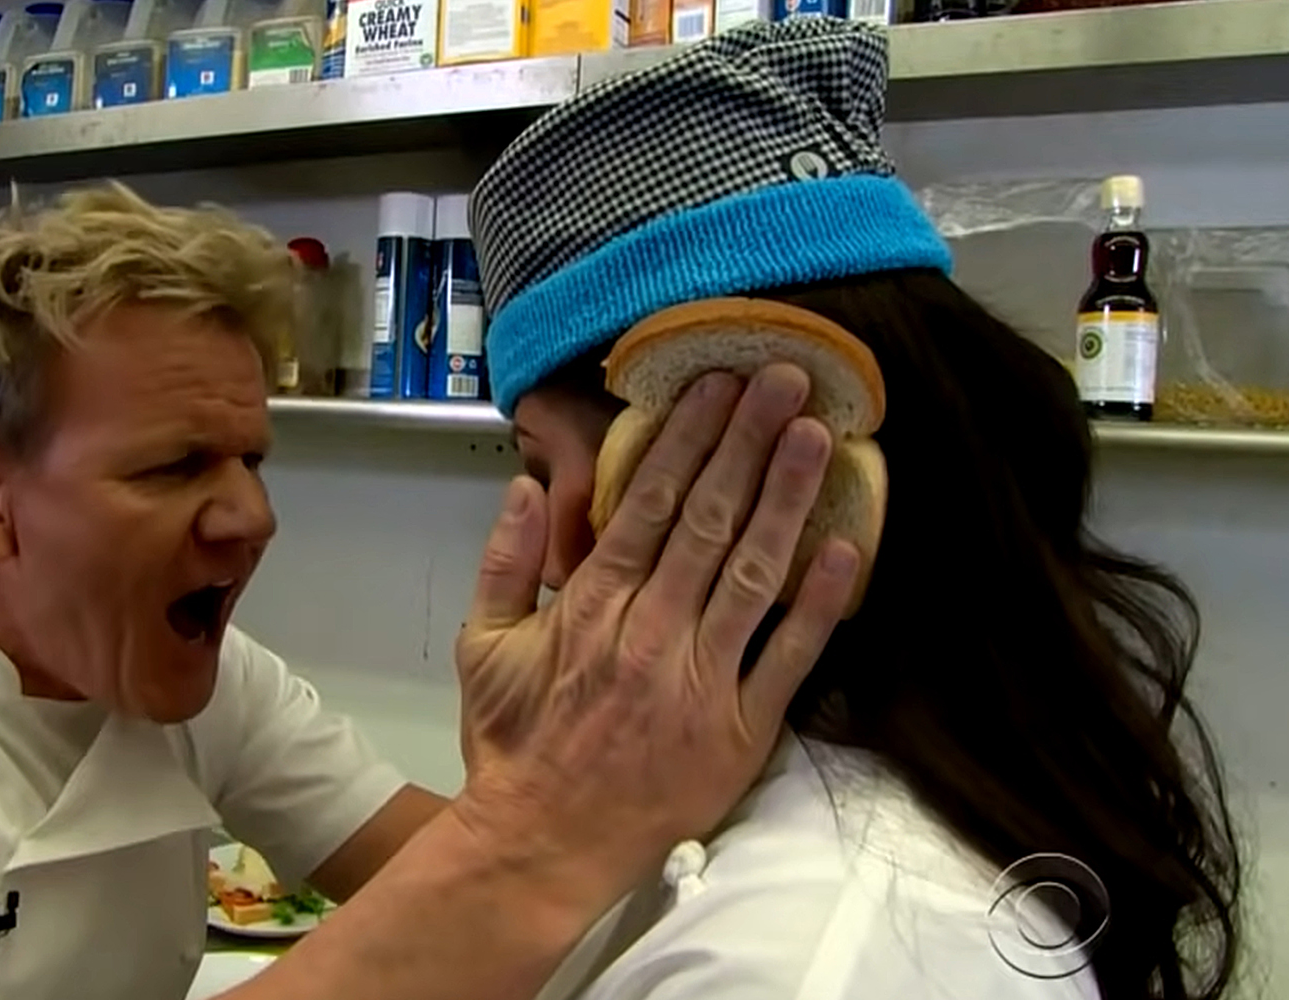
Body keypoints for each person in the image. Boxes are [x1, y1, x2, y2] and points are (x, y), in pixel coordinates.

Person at [0, 180, 861, 999]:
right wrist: (524, 827)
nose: (251, 516)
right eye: (177, 464)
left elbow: (477, 903)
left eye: (250, 456)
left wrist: (589, 798)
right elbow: (485, 877)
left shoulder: (195, 682)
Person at [472, 20, 1244, 1000]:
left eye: (541, 467)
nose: (546, 563)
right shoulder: (898, 804)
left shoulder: (809, 959)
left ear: (724, 457)